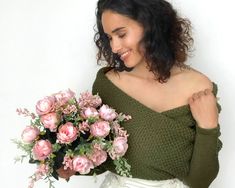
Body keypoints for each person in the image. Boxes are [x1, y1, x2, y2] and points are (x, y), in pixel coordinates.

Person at [58, 0, 222, 187]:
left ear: (151, 24)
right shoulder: (108, 85)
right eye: (109, 38)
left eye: (121, 34)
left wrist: (208, 128)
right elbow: (107, 160)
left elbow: (200, 182)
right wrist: (72, 165)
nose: (114, 47)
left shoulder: (199, 87)